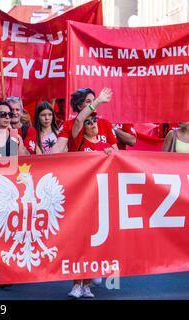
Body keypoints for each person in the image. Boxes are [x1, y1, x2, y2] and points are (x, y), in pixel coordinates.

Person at [67, 112, 114, 299]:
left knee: (92, 244)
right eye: (88, 122)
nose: (92, 123)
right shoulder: (78, 142)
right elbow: (78, 121)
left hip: (99, 201)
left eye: (94, 120)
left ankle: (87, 286)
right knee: (78, 243)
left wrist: (112, 154)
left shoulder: (105, 146)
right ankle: (76, 285)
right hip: (80, 200)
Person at [51, 88, 118, 153]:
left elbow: (115, 152)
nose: (93, 104)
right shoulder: (69, 125)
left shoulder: (105, 123)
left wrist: (108, 153)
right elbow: (59, 148)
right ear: (79, 106)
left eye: (94, 101)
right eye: (88, 101)